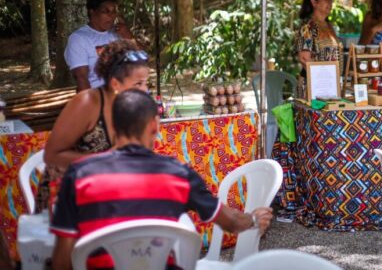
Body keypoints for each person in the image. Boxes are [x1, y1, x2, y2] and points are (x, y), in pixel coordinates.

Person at [50, 89, 273, 270]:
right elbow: (230, 221)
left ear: (112, 127)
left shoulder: (78, 175)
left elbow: (62, 260)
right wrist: (253, 220)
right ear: (155, 127)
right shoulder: (179, 174)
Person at [36, 40, 149, 211]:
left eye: (146, 83)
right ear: (115, 84)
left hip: (103, 194)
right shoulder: (86, 103)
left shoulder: (131, 109)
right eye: (138, 84)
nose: (145, 90)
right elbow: (52, 155)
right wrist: (105, 160)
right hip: (65, 198)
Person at [65, 0, 134, 92]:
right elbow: (81, 78)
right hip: (99, 95)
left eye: (114, 11)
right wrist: (94, 104)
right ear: (92, 12)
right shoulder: (79, 38)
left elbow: (142, 58)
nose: (111, 15)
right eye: (106, 11)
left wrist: (128, 36)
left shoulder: (118, 33)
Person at [296, 0, 342, 98]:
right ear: (314, 2)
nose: (330, 2)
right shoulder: (308, 27)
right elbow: (304, 58)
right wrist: (323, 79)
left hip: (329, 85)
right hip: (313, 87)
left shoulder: (328, 26)